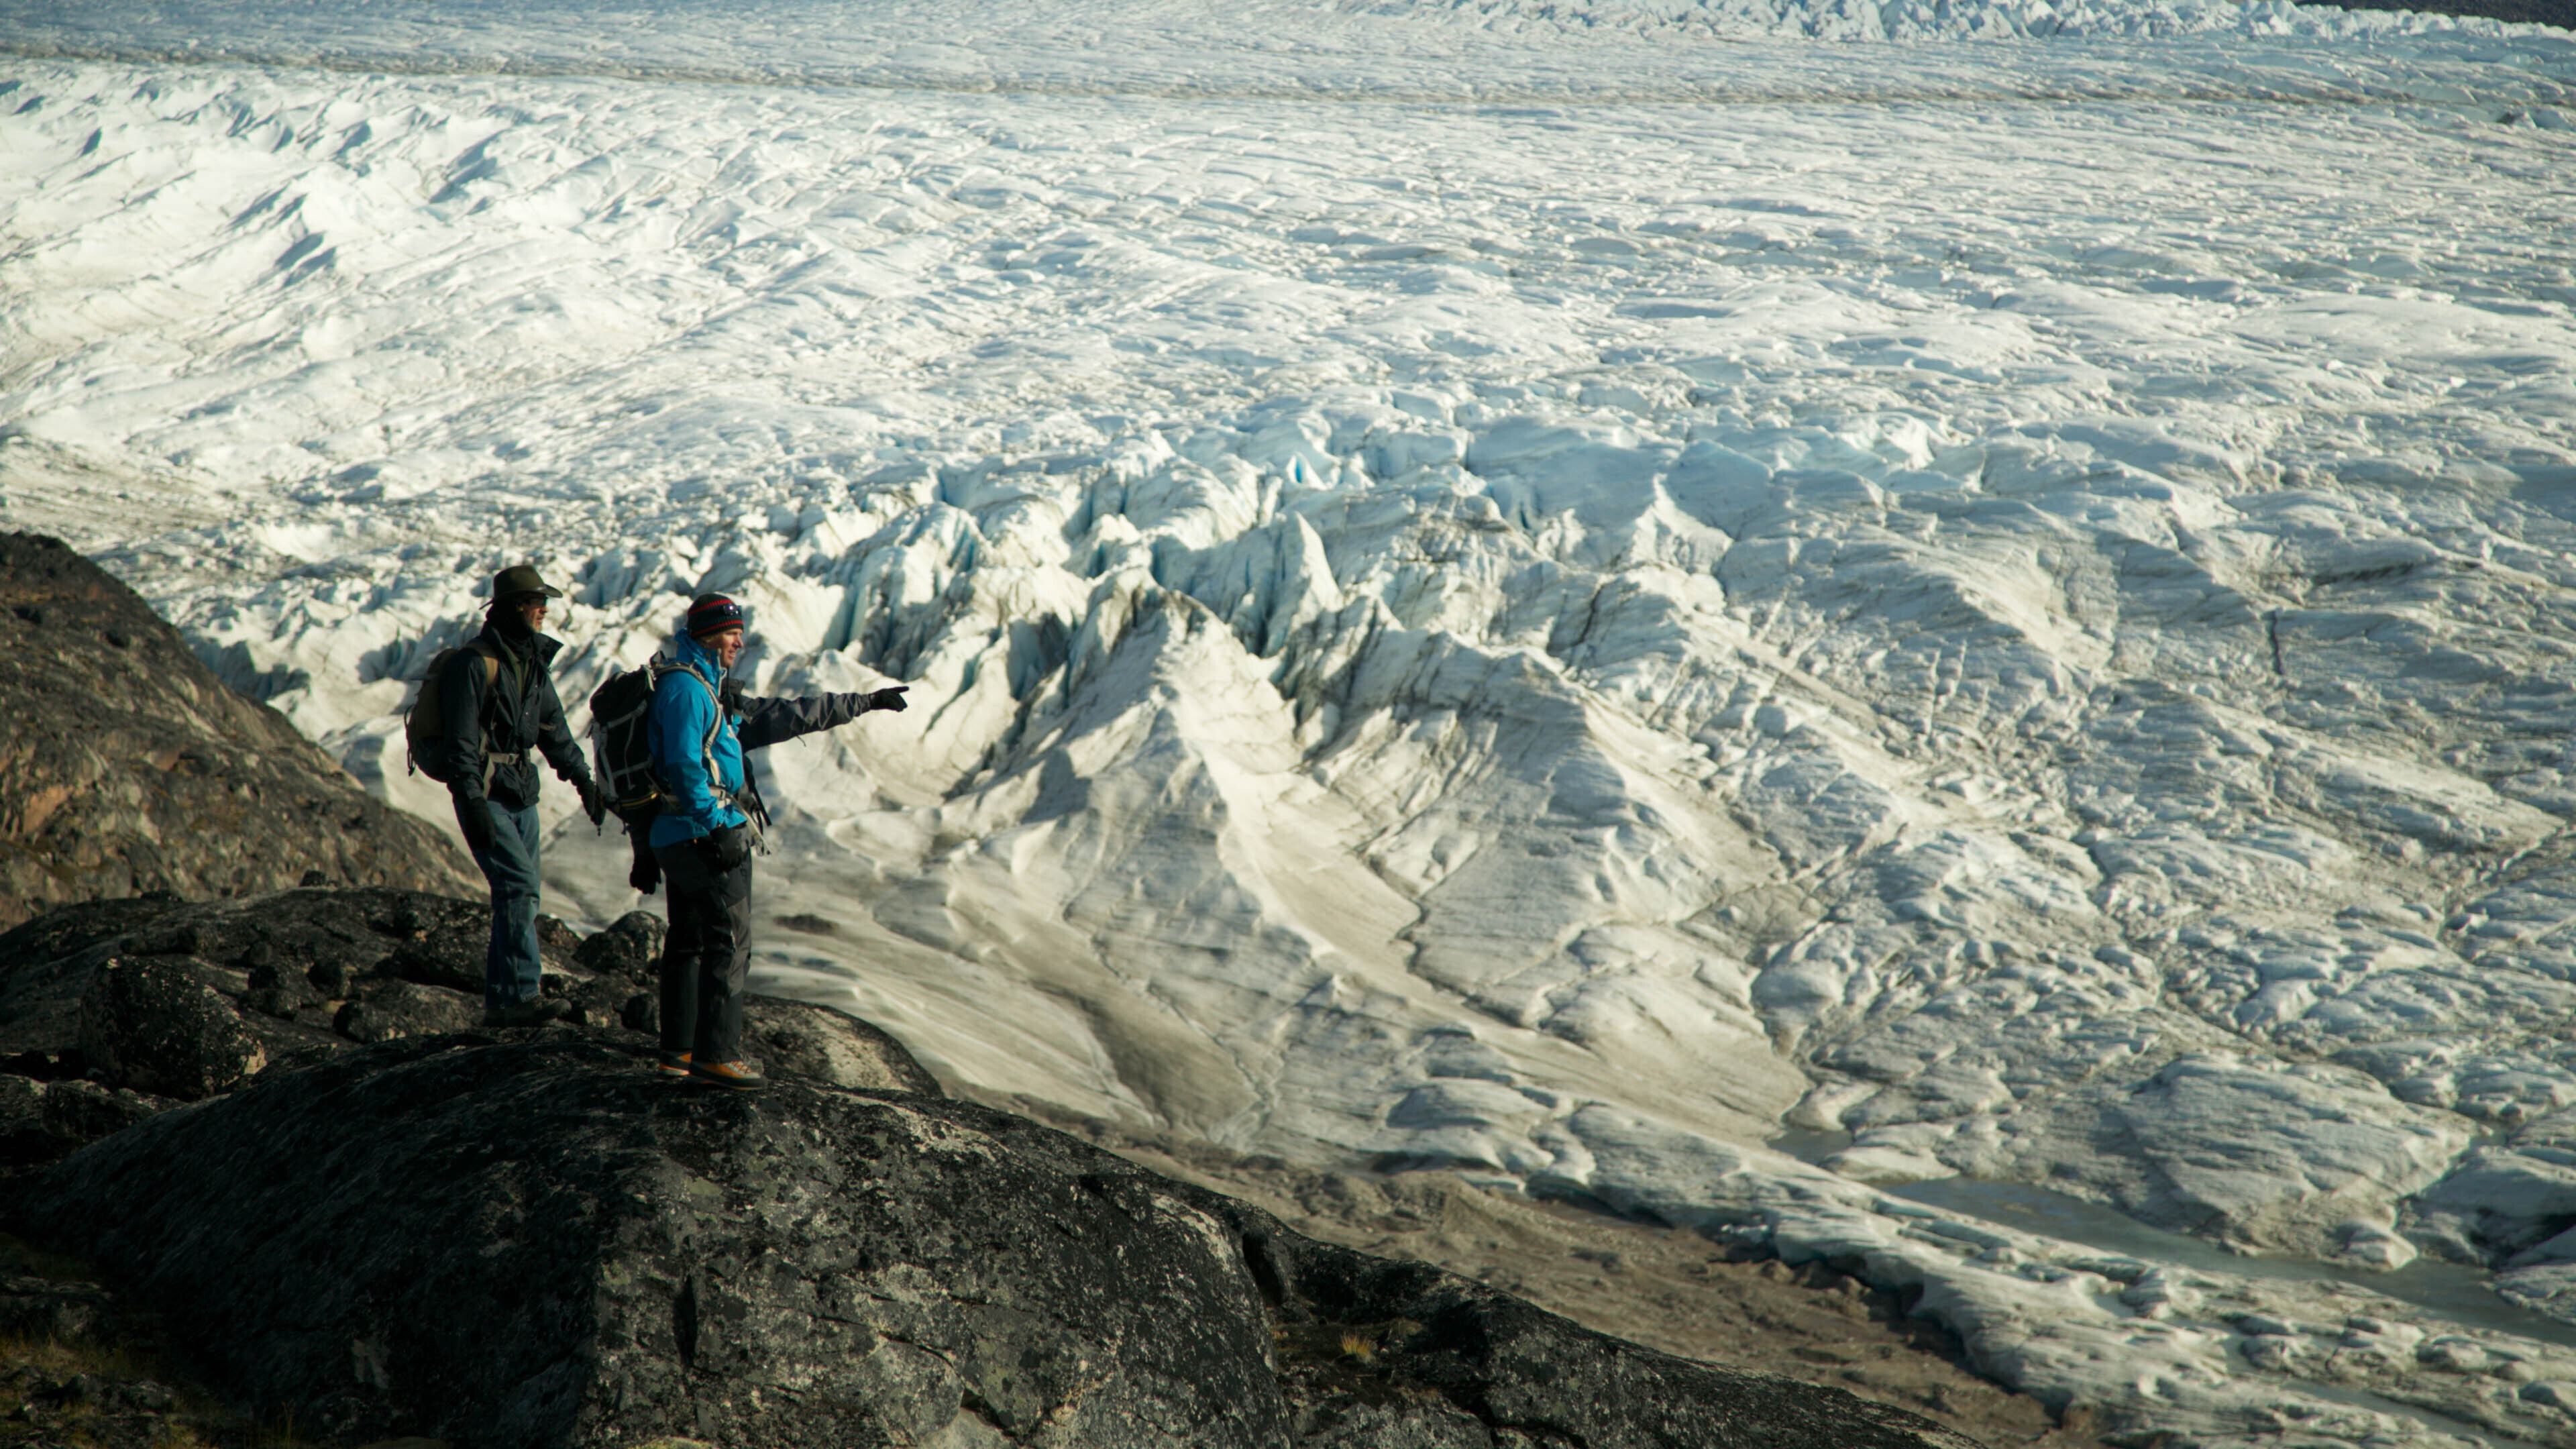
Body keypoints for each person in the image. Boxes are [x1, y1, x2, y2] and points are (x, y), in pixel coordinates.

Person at [647, 592, 908, 1088]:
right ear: (706, 634)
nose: (740, 642)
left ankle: (677, 1054)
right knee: (728, 941)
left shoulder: (708, 686)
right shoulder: (687, 690)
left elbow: (788, 715)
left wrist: (864, 702)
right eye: (731, 633)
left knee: (689, 941)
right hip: (701, 833)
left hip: (679, 832)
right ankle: (715, 1056)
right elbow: (683, 766)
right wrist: (717, 825)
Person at [438, 564, 604, 1027]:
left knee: (519, 897)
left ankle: (500, 1004)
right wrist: (471, 801)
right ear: (516, 607)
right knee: (518, 888)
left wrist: (583, 780)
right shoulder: (475, 665)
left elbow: (554, 731)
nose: (544, 610)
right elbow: (461, 744)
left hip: (522, 795)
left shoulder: (532, 662)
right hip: (488, 795)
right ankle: (520, 996)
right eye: (537, 602)